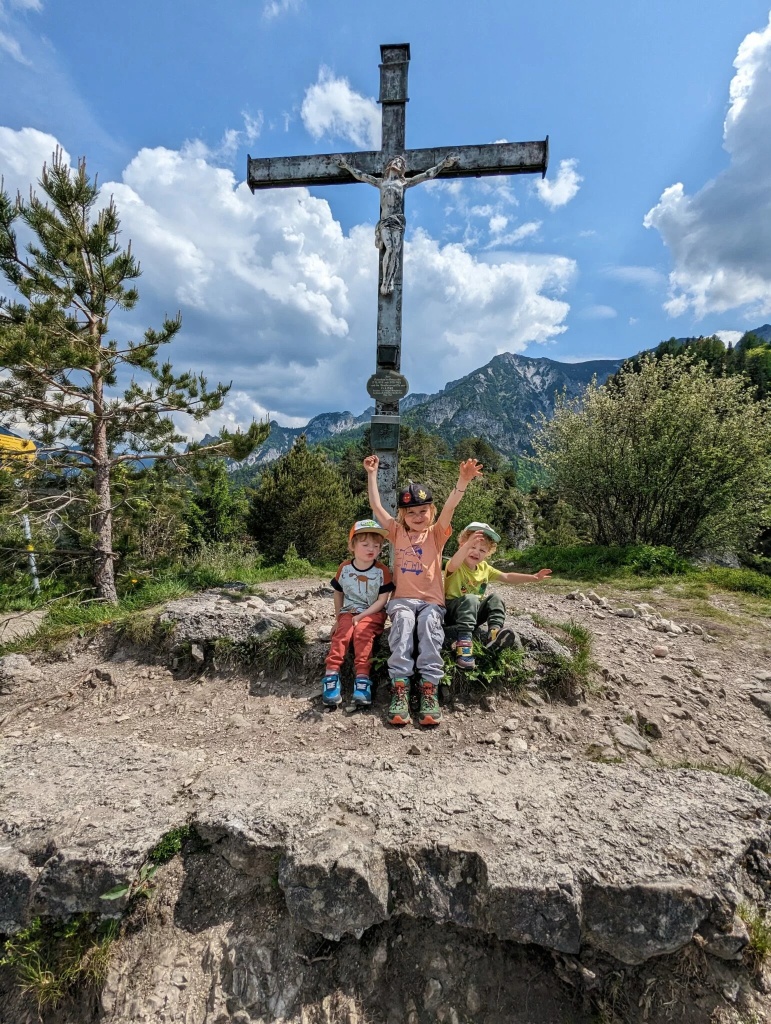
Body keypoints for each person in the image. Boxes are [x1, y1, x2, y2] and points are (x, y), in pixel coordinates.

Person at [363, 454, 483, 727]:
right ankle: (400, 688)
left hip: (431, 602)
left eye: (423, 511)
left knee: (429, 624)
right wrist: (372, 474)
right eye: (411, 512)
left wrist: (462, 481)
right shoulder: (395, 532)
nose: (418, 516)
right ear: (403, 515)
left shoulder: (437, 533)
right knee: (403, 623)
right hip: (403, 600)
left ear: (431, 512)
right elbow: (376, 506)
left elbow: (451, 508)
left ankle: (429, 688)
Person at [338, 153, 457, 295]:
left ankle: (389, 281)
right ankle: (385, 283)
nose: (397, 163)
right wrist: (346, 166)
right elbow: (361, 175)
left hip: (397, 221)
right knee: (389, 248)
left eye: (400, 163)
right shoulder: (380, 182)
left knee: (395, 250)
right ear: (389, 165)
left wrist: (444, 163)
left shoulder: (403, 183)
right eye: (395, 161)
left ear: (402, 169)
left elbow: (427, 174)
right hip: (385, 221)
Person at [444, 522, 553, 670]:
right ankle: (464, 646)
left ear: (488, 553)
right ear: (461, 546)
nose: (476, 552)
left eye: (482, 550)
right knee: (471, 598)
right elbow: (452, 564)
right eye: (472, 547)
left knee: (495, 598)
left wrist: (533, 577)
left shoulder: (484, 568)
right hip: (452, 612)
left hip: (472, 614)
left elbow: (507, 576)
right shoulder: (455, 564)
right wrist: (467, 545)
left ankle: (493, 635)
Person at [321, 519, 395, 708]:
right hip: (349, 611)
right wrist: (338, 618)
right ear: (352, 546)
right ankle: (331, 674)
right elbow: (338, 592)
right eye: (365, 544)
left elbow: (382, 600)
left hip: (373, 613)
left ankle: (362, 678)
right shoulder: (345, 568)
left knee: (362, 633)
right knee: (342, 635)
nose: (371, 549)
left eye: (376, 545)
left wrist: (362, 617)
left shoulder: (382, 571)